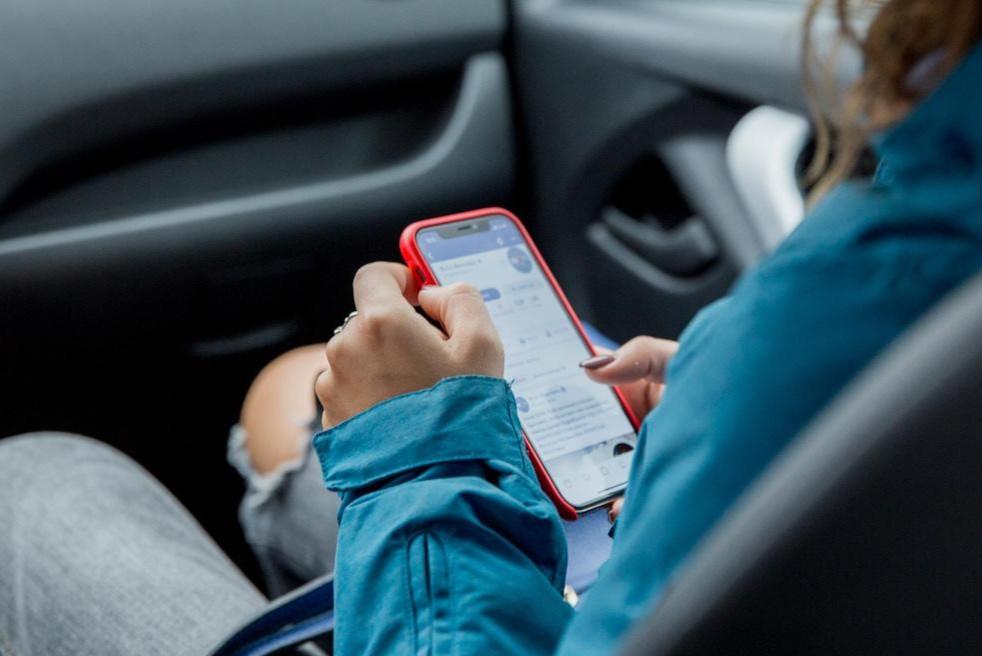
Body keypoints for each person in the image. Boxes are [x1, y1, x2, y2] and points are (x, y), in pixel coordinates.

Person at [1, 1, 980, 653]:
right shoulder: (909, 305)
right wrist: (722, 401)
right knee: (284, 392)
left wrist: (411, 454)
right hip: (646, 573)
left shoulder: (869, 283)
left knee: (34, 483)